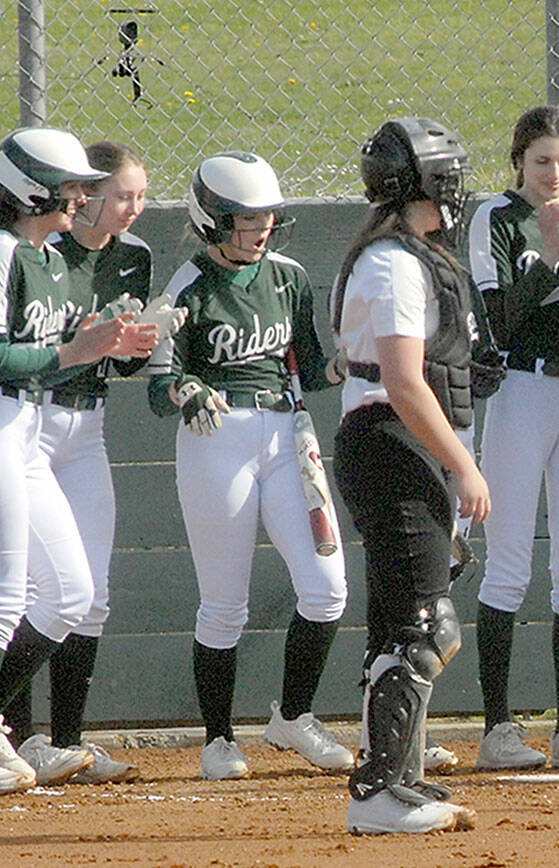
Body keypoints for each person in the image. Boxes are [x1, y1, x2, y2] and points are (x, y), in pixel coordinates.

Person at [145, 151, 352, 781]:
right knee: (224, 604)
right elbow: (159, 388)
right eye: (244, 218)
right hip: (218, 438)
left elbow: (312, 366)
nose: (260, 229)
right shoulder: (188, 285)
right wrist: (187, 389)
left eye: (267, 216)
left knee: (327, 589)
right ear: (210, 219)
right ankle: (218, 737)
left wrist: (351, 362)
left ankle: (292, 717)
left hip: (287, 432)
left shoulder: (286, 275)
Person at [3, 141, 183, 785]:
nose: (131, 207)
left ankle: (62, 739)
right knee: (21, 593)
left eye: (138, 195)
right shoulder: (31, 253)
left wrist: (129, 343)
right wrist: (81, 345)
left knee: (85, 592)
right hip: (28, 418)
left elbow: (103, 357)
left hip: (77, 421)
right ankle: (15, 739)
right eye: (119, 195)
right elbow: (30, 346)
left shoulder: (118, 257)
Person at [331, 117, 485, 834]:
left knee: (399, 624)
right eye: (448, 173)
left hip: (399, 445)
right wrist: (464, 465)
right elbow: (401, 381)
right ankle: (378, 794)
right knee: (426, 628)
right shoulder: (391, 262)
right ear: (423, 183)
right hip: (391, 444)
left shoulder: (413, 255)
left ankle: (402, 780)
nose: (456, 185)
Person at [467, 106, 559, 770]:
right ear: (518, 162)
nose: (553, 174)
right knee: (508, 563)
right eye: (540, 161)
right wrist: (550, 257)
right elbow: (501, 319)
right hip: (523, 389)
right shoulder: (496, 217)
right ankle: (498, 728)